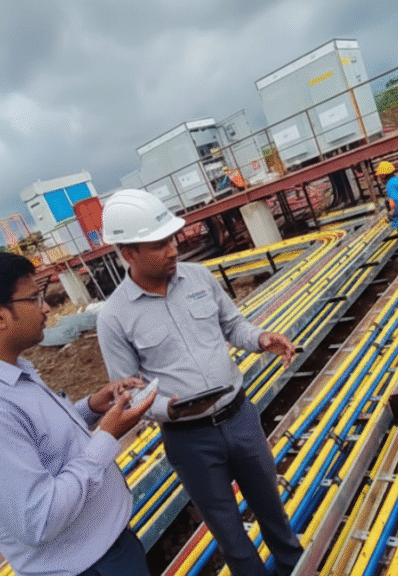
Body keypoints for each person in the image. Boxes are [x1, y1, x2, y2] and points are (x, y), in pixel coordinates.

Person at [95, 189, 304, 576]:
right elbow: (128, 390)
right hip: (189, 439)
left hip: (239, 417)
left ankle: (295, 566)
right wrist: (169, 408)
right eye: (158, 245)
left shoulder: (200, 277)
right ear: (128, 253)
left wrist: (261, 338)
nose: (172, 250)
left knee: (271, 508)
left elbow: (233, 325)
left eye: (171, 239)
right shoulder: (114, 317)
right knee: (229, 532)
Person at [0, 250, 156, 576]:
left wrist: (91, 408)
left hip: (105, 551)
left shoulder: (6, 375)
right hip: (87, 567)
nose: (46, 308)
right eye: (35, 298)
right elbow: (40, 519)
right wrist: (107, 436)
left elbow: (40, 443)